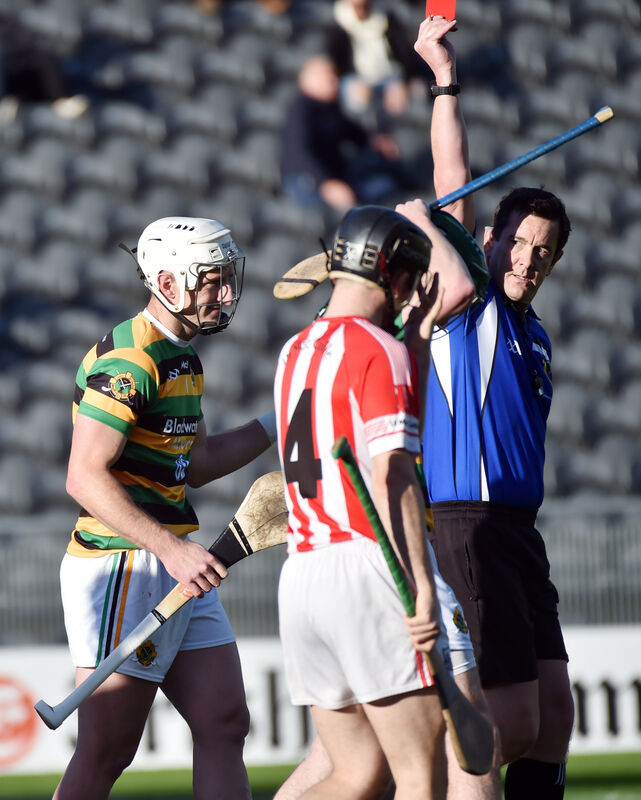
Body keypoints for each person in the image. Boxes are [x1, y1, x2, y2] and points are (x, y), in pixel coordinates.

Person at [273, 207, 501, 800]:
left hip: (302, 575)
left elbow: (391, 428)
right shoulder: (376, 349)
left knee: (355, 774)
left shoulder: (294, 351)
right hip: (369, 567)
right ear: (392, 273)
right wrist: (422, 585)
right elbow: (393, 473)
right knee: (419, 778)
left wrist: (419, 337)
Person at [53, 217, 277, 800]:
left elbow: (196, 464)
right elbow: (83, 475)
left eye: (229, 279)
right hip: (122, 564)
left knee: (225, 721)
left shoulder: (183, 359)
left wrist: (280, 421)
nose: (226, 294)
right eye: (212, 281)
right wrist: (172, 548)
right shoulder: (131, 360)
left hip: (171, 560)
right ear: (170, 283)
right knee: (107, 749)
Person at [416, 16, 575, 799]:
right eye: (516, 240)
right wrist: (443, 77)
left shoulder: (534, 334)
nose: (527, 256)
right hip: (466, 524)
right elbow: (453, 173)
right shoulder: (468, 303)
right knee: (501, 726)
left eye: (543, 249)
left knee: (553, 716)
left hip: (518, 533)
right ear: (489, 241)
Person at [280, 54, 405, 213]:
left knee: (384, 187)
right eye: (327, 76)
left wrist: (375, 141)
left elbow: (351, 132)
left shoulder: (330, 108)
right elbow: (300, 152)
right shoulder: (300, 110)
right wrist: (325, 183)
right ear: (309, 80)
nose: (334, 80)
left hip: (338, 178)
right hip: (307, 181)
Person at [326, 0, 429, 129]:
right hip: (356, 80)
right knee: (357, 100)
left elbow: (404, 53)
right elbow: (334, 63)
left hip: (389, 76)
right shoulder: (337, 23)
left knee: (411, 97)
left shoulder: (386, 18)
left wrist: (404, 82)